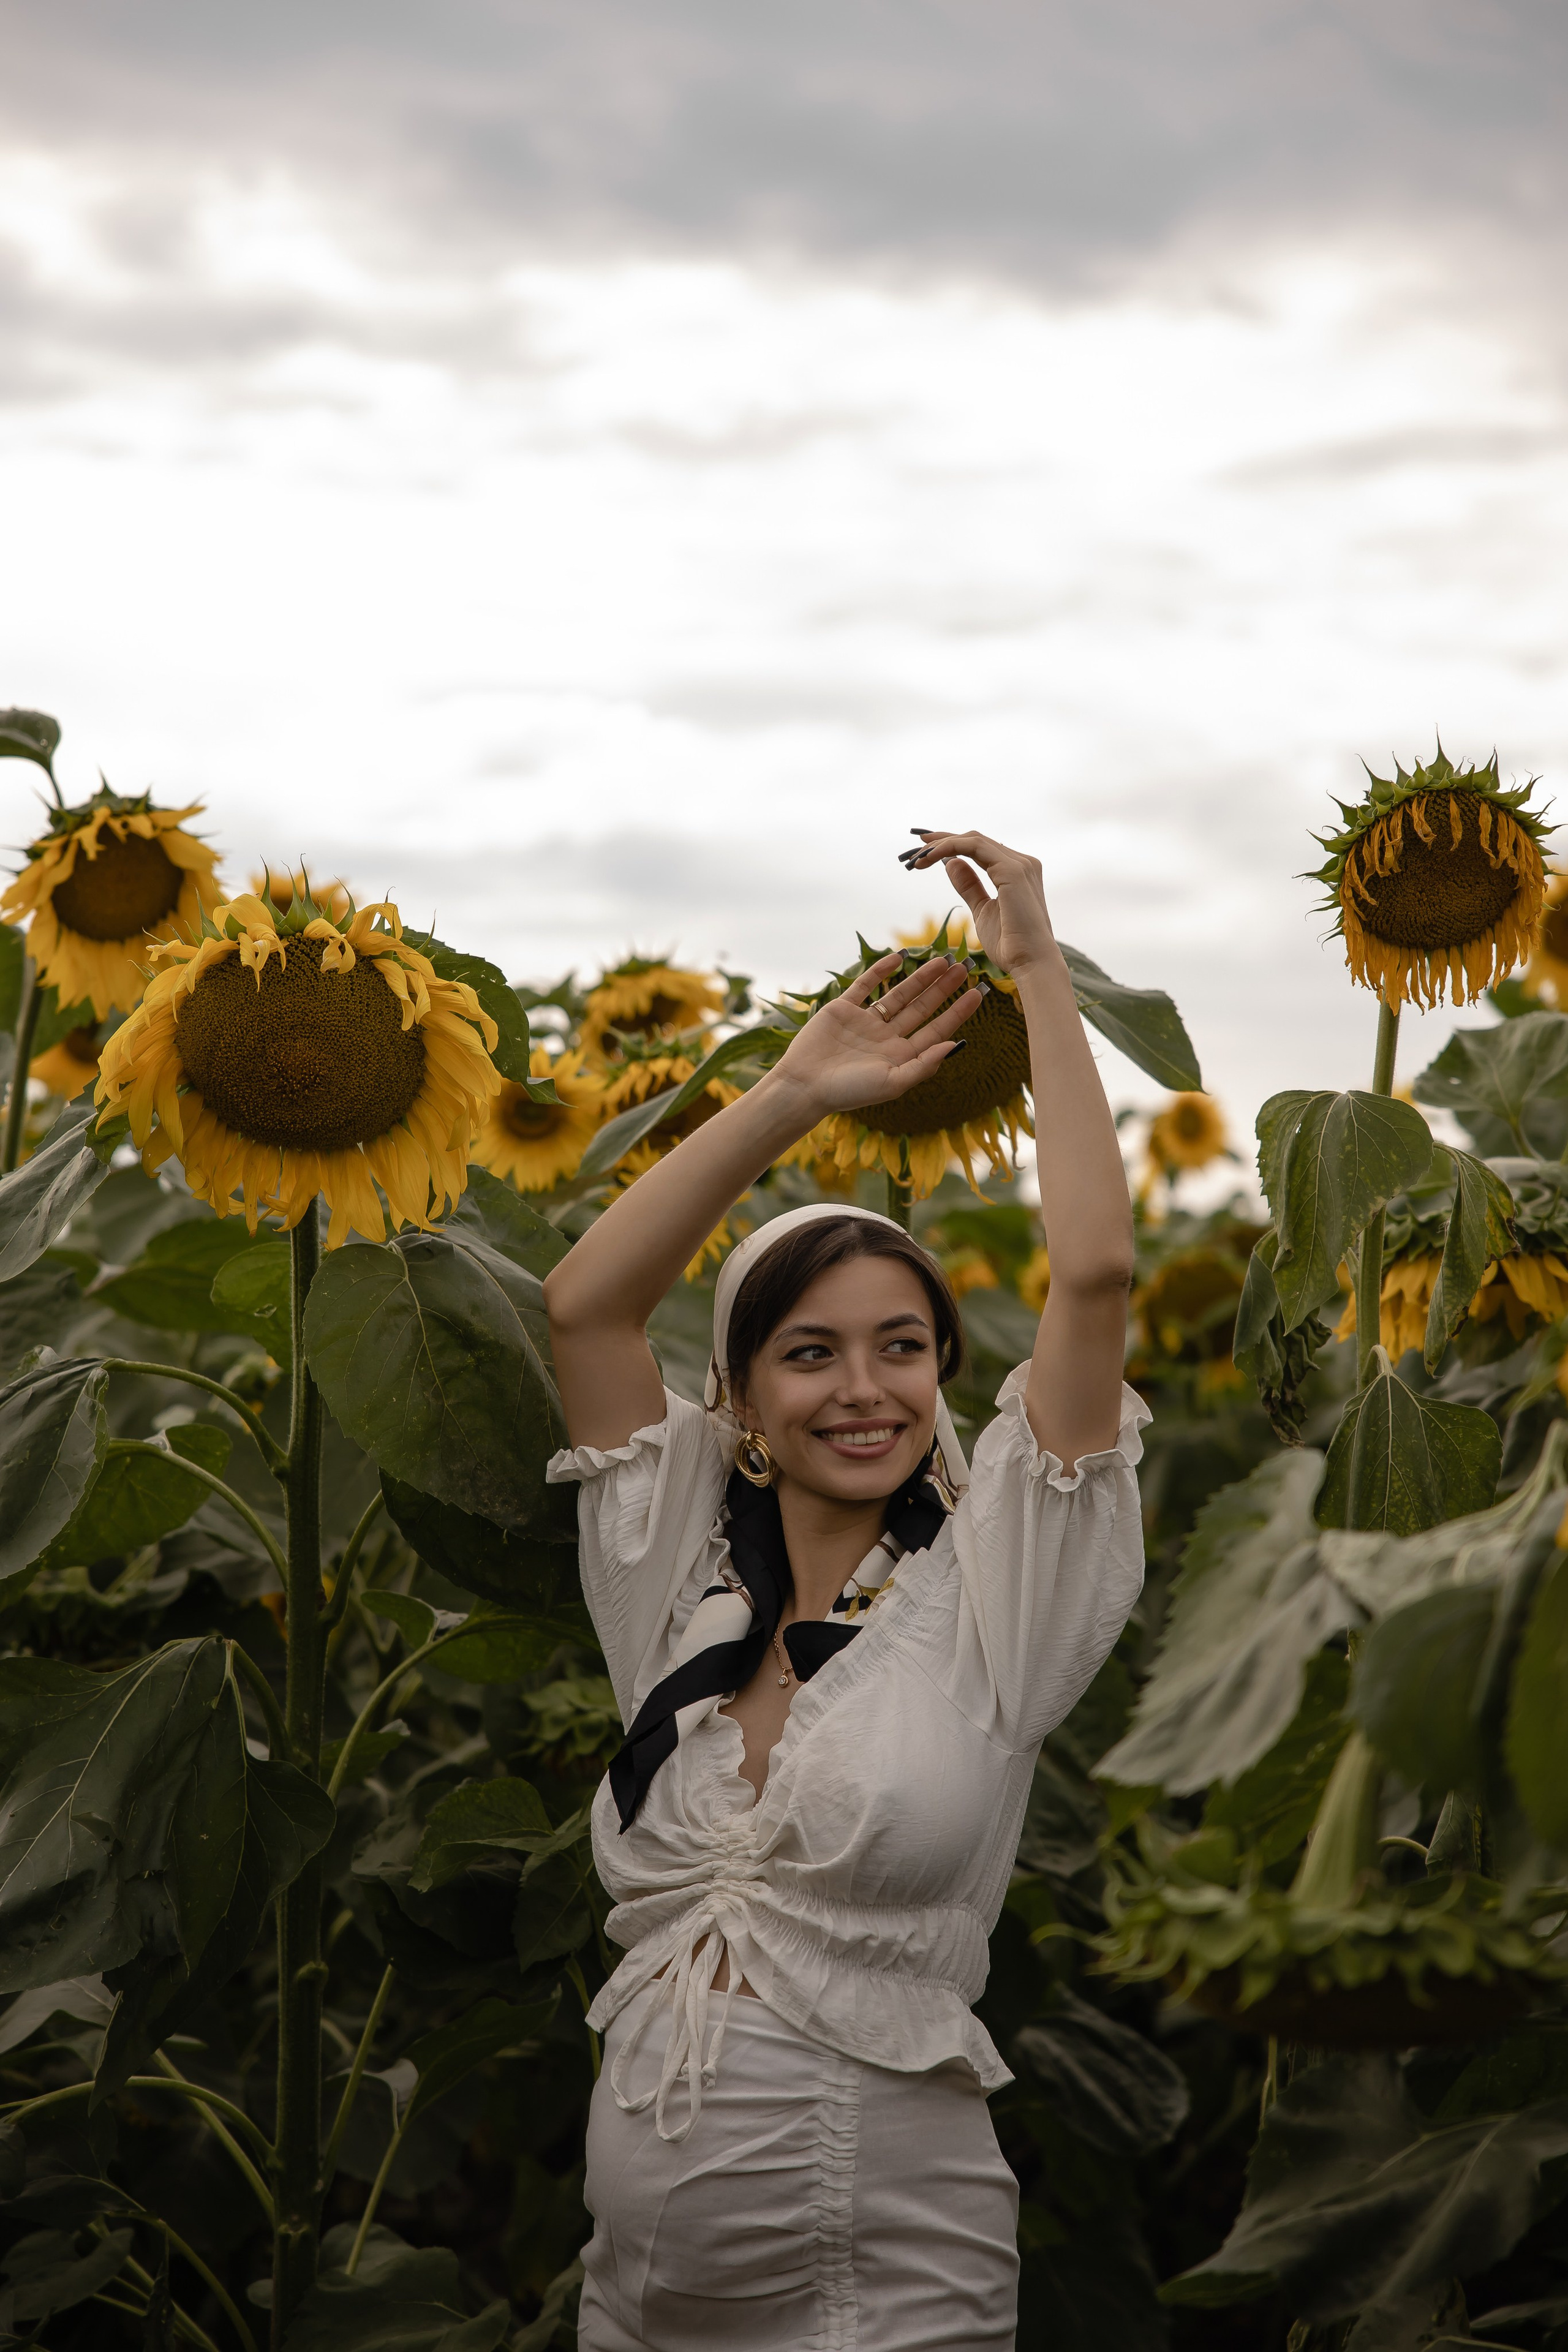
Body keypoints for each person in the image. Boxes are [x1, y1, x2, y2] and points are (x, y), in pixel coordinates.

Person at [543, 829, 1145, 2352]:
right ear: (741, 1399)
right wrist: (791, 1096)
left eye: (902, 1345)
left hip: (883, 2273)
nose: (864, 1388)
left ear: (945, 1373)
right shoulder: (672, 1587)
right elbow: (585, 1302)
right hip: (636, 2293)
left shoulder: (995, 1591)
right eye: (809, 1351)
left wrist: (1034, 969)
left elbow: (1091, 1278)